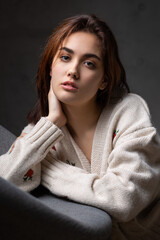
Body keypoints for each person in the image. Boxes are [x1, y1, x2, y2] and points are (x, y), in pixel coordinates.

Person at [0, 14, 160, 239]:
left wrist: (48, 168)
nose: (73, 71)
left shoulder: (128, 111)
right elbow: (5, 185)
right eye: (65, 57)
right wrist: (51, 122)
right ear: (50, 67)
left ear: (104, 79)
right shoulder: (42, 132)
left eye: (89, 63)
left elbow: (124, 199)